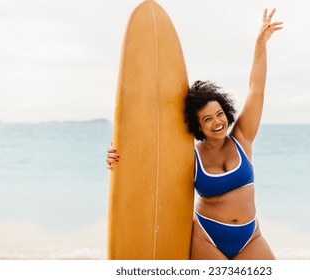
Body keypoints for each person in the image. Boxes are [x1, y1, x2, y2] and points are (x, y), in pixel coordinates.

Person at [107, 8, 283, 260]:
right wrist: (115, 160)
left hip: (250, 237)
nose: (217, 122)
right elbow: (149, 174)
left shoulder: (242, 138)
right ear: (197, 126)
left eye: (219, 114)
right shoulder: (190, 157)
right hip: (207, 237)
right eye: (207, 119)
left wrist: (260, 44)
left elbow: (257, 90)